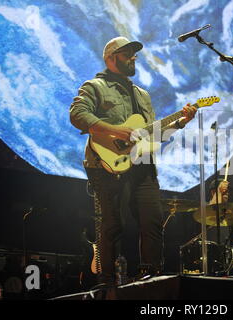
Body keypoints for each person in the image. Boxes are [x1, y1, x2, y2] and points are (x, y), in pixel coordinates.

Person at [69, 36, 197, 286]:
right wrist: (116, 131)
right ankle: (107, 283)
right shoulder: (95, 86)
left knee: (152, 221)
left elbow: (152, 135)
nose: (133, 57)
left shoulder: (142, 95)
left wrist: (181, 122)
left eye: (134, 53)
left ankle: (150, 278)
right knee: (113, 225)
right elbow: (77, 115)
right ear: (111, 58)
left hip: (142, 164)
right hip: (106, 166)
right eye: (127, 53)